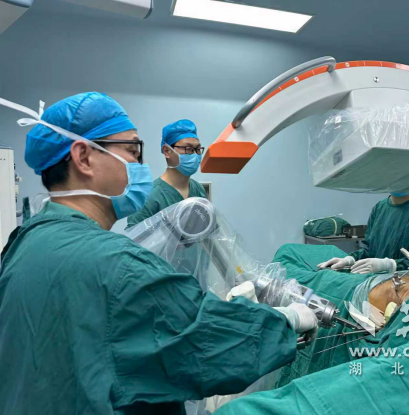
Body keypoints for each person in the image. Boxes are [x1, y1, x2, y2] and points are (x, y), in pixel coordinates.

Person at [0, 93, 317, 415]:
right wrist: (285, 320)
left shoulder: (24, 244)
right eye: (132, 150)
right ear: (83, 157)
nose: (140, 164)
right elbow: (209, 343)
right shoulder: (117, 265)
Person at [318, 192, 409, 275]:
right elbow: (370, 250)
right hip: (379, 286)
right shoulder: (379, 208)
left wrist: (390, 265)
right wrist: (350, 260)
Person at [126, 119, 206, 229]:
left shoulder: (198, 189)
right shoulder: (149, 197)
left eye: (198, 149)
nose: (195, 155)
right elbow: (134, 235)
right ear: (167, 151)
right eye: (188, 149)